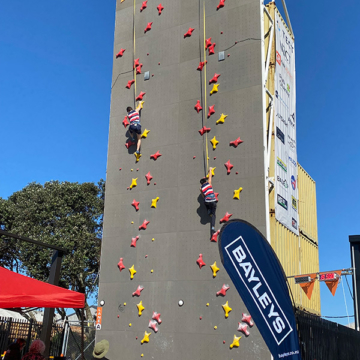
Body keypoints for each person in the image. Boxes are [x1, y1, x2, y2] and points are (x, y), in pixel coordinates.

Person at [200, 167, 217, 233]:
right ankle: (212, 227)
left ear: (201, 184)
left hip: (207, 200)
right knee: (213, 215)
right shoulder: (209, 183)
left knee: (205, 202)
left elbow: (203, 196)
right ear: (205, 181)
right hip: (213, 200)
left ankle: (208, 210)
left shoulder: (201, 188)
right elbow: (210, 177)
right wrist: (210, 170)